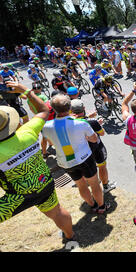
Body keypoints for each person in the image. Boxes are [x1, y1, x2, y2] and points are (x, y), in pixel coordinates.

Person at [0, 82, 74, 244]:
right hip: (44, 182)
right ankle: (70, 236)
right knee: (57, 212)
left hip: (17, 196)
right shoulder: (27, 131)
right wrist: (26, 91)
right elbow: (44, 110)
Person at [42, 94, 108, 214]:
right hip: (84, 159)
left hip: (65, 162)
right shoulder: (81, 123)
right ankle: (102, 207)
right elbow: (94, 139)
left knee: (81, 185)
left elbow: (51, 143)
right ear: (69, 108)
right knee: (94, 184)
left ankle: (92, 205)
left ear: (53, 108)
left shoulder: (46, 127)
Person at [70, 99, 116, 193]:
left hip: (82, 151)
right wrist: (98, 124)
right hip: (96, 149)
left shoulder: (69, 122)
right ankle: (106, 186)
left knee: (88, 170)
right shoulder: (92, 122)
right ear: (83, 108)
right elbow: (102, 133)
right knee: (102, 167)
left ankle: (91, 184)